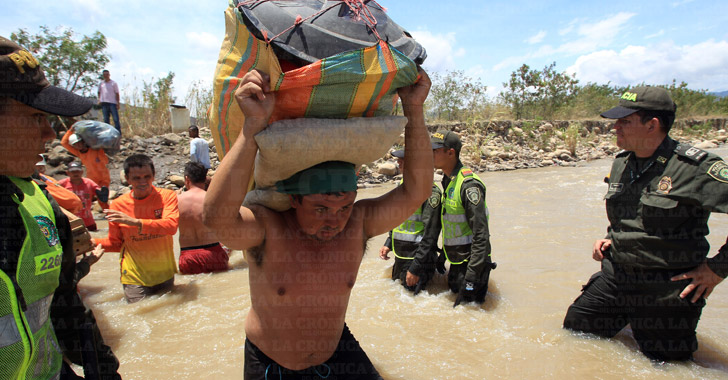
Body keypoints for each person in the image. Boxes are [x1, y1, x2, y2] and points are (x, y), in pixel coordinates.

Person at [203, 68, 432, 378]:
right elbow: (217, 221)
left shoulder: (358, 223)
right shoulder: (268, 228)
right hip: (272, 363)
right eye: (321, 208)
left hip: (337, 351)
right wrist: (253, 126)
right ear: (295, 199)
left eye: (344, 206)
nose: (335, 219)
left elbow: (416, 191)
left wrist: (414, 110)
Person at [563, 86, 728, 361]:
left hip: (664, 288)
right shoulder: (622, 163)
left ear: (652, 125)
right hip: (617, 277)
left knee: (667, 365)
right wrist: (609, 237)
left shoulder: (695, 168)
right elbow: (628, 214)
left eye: (625, 121)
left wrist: (717, 269)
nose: (615, 128)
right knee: (576, 332)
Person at [0, 35, 121, 379]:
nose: (48, 134)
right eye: (36, 117)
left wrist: (105, 369)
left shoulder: (43, 205)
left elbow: (65, 305)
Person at [407, 129, 494, 307]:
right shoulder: (448, 181)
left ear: (450, 152)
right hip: (457, 263)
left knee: (470, 313)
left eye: (435, 151)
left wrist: (471, 277)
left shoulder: (469, 186)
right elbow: (452, 227)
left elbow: (481, 235)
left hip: (471, 267)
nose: (430, 155)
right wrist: (442, 258)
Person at [93, 154, 179, 303]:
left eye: (147, 176)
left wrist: (136, 222)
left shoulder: (167, 196)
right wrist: (91, 242)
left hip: (164, 273)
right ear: (127, 179)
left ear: (153, 176)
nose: (143, 182)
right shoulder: (117, 206)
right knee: (139, 314)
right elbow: (116, 244)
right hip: (134, 276)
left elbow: (171, 227)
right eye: (136, 178)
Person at [379, 148, 444, 292]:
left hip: (418, 260)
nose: (399, 163)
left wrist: (416, 268)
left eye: (403, 161)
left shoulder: (430, 193)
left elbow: (431, 235)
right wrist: (389, 243)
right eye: (399, 160)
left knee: (413, 300)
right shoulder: (402, 186)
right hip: (400, 256)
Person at [178, 161, 229, 274]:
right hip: (213, 253)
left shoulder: (176, 201)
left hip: (188, 256)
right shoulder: (212, 200)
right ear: (205, 178)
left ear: (187, 179)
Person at [60, 123, 110, 207]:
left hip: (103, 177)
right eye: (75, 144)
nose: (78, 145)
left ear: (83, 141)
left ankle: (108, 215)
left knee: (102, 198)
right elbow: (64, 143)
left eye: (79, 143)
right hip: (91, 178)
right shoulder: (79, 153)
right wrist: (71, 130)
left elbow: (105, 159)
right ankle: (85, 214)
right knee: (87, 198)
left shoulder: (95, 149)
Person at [58, 161, 101, 231]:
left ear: (82, 172)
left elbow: (100, 193)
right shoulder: (62, 184)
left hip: (89, 221)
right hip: (71, 222)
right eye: (73, 171)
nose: (75, 173)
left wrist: (102, 193)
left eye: (77, 171)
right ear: (67, 173)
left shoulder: (89, 183)